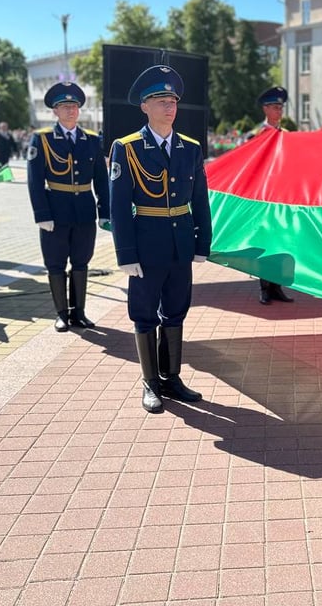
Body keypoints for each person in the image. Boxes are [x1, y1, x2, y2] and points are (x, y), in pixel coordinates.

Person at [109, 65, 212, 413]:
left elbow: (200, 199)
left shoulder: (190, 148)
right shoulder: (127, 148)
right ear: (144, 106)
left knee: (176, 312)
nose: (169, 107)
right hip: (146, 245)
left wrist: (202, 242)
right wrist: (125, 254)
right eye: (160, 100)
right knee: (144, 314)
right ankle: (150, 382)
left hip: (181, 243)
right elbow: (120, 206)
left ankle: (171, 377)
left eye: (172, 100)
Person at [26, 82, 109, 332]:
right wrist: (41, 214)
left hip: (84, 211)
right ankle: (62, 314)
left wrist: (104, 212)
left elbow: (101, 180)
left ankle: (79, 313)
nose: (70, 111)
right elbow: (34, 180)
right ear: (55, 111)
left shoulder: (92, 140)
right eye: (64, 106)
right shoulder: (42, 139)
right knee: (56, 263)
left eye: (74, 106)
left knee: (82, 262)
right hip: (55, 212)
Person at [253, 86, 296, 305]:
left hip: (281, 198)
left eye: (280, 107)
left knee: (280, 243)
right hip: (262, 198)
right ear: (265, 109)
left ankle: (277, 287)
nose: (278, 111)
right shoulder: (257, 135)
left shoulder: (286, 136)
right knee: (265, 243)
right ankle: (264, 288)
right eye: (274, 107)